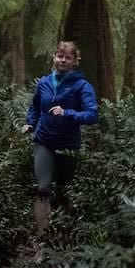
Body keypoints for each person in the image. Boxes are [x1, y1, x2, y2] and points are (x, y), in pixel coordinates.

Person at [21, 41, 99, 231]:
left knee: (64, 190)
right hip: (44, 141)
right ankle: (43, 236)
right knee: (43, 188)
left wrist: (68, 113)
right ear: (54, 57)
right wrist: (30, 123)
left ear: (75, 61)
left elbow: (92, 115)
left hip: (68, 146)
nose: (62, 60)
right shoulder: (43, 83)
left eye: (67, 57)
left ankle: (65, 231)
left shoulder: (82, 86)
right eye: (60, 56)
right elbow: (35, 107)